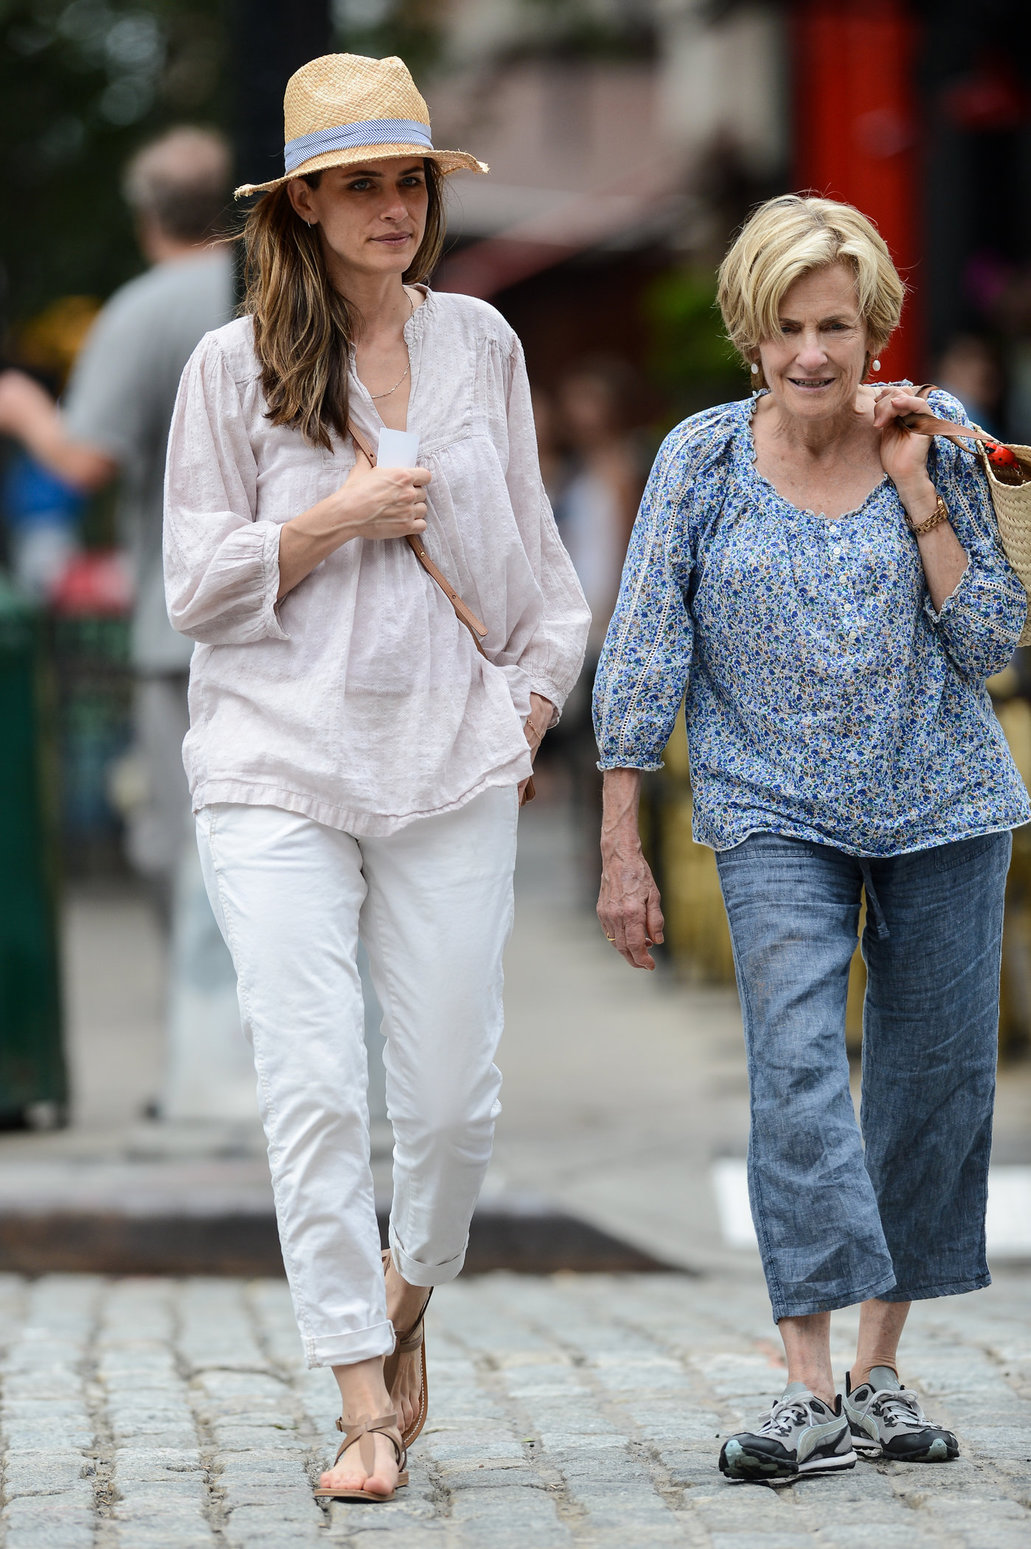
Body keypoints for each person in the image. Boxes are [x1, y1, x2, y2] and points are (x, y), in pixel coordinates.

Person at [163, 52, 589, 1503]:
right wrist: (330, 519)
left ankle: (406, 1297)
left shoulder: (480, 343)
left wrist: (528, 704)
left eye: (409, 180)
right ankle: (358, 1396)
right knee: (312, 1085)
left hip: (446, 759)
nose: (394, 206)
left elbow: (536, 563)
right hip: (272, 759)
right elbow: (191, 587)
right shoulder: (229, 369)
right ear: (303, 206)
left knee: (454, 1103)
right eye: (363, 183)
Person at [593, 194, 1030, 1483]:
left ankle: (879, 1371)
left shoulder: (934, 445)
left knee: (929, 1086)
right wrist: (622, 841)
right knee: (792, 1065)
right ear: (748, 329)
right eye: (785, 326)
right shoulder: (700, 458)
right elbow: (640, 647)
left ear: (872, 326)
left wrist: (915, 488)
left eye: (834, 324)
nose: (811, 354)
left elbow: (992, 647)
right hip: (771, 809)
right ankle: (803, 1387)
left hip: (943, 803)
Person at [0, 126, 250, 1121]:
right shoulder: (285, 288)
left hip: (178, 629)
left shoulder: (144, 311)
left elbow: (87, 461)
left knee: (182, 844)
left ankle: (209, 1064)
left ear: (147, 215)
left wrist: (24, 413)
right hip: (287, 606)